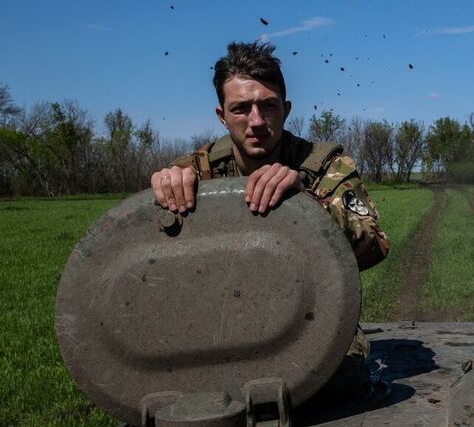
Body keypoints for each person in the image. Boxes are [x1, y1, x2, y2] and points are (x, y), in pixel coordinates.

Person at [150, 40, 387, 397]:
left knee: (334, 385)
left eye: (268, 106)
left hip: (310, 315)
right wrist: (167, 190)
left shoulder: (323, 166)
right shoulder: (197, 171)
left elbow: (375, 246)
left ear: (286, 110)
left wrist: (307, 206)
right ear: (222, 116)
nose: (257, 121)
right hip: (221, 318)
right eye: (241, 108)